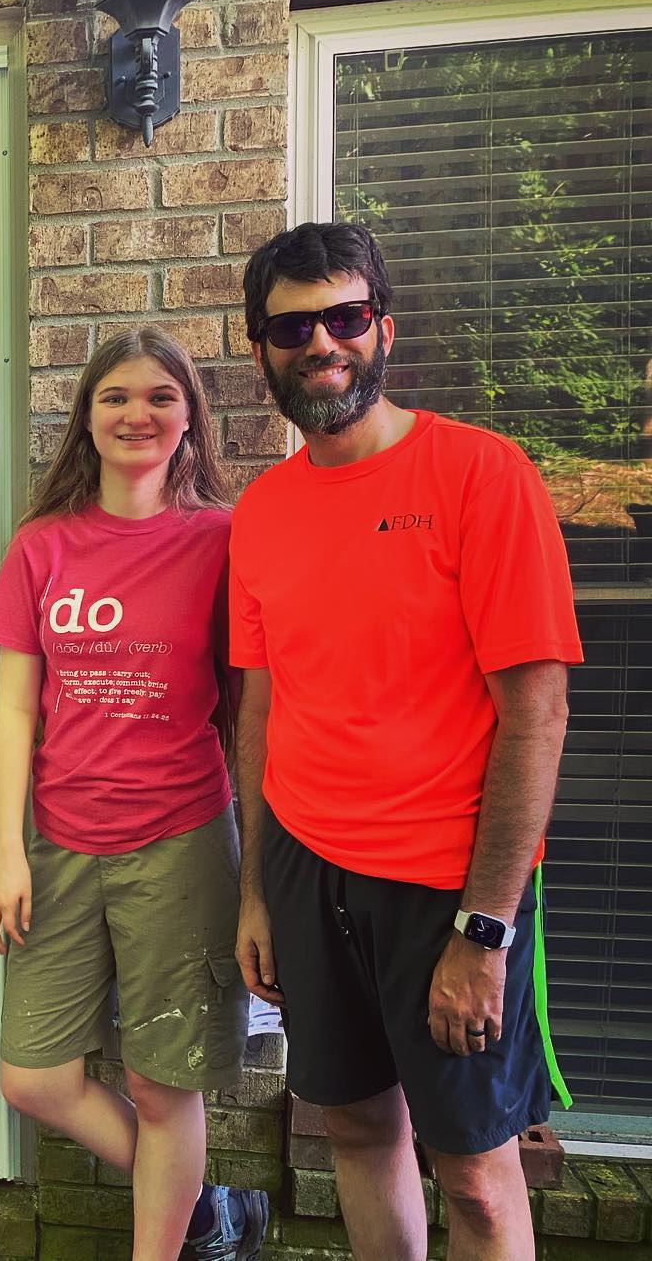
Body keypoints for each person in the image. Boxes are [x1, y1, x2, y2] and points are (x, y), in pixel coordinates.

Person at [229, 222, 581, 1261]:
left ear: (384, 325)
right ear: (260, 349)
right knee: (355, 1127)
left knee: (474, 1171)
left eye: (345, 316)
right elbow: (260, 706)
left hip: (449, 887)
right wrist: (257, 886)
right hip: (305, 866)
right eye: (293, 327)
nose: (321, 344)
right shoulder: (260, 511)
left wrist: (486, 931)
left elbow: (537, 713)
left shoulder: (482, 475)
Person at [0, 328, 269, 1261]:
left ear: (189, 420)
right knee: (33, 1076)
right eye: (115, 397)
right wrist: (8, 850)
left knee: (162, 1087)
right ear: (87, 418)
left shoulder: (224, 542)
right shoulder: (41, 547)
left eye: (160, 398)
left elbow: (251, 704)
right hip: (59, 846)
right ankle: (205, 1203)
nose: (137, 414)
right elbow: (17, 707)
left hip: (182, 842)